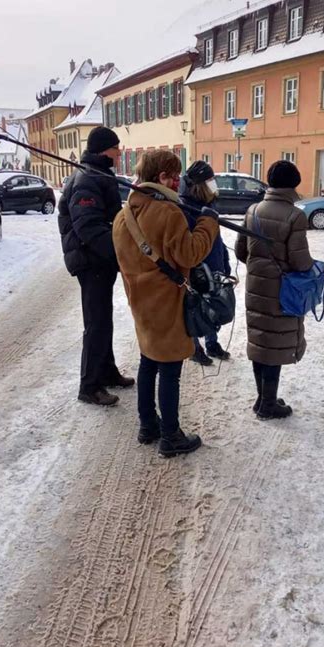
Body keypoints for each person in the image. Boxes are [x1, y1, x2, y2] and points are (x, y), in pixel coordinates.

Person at [112, 149, 219, 457]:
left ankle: (148, 425)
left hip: (141, 304)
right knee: (170, 370)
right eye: (174, 176)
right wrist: (208, 223)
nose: (177, 182)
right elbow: (190, 254)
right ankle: (171, 436)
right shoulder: (167, 213)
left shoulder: (123, 215)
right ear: (161, 177)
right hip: (167, 304)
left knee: (148, 362)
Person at [58, 125, 134, 406]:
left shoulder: (98, 175)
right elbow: (89, 227)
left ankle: (107, 370)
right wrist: (119, 254)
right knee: (96, 322)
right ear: (106, 149)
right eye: (116, 147)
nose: (119, 152)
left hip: (99, 260)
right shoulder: (87, 179)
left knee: (104, 319)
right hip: (92, 261)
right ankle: (89, 386)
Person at [235, 160, 313, 420]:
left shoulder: (253, 210)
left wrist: (260, 267)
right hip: (282, 291)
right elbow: (300, 261)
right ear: (294, 184)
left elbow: (240, 251)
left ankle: (262, 399)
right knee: (276, 343)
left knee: (261, 340)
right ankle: (268, 404)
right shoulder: (295, 215)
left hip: (256, 287)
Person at [179, 160, 231, 365]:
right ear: (199, 184)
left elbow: (216, 237)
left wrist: (224, 260)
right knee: (195, 307)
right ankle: (195, 347)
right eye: (209, 180)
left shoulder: (208, 204)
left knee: (213, 305)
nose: (213, 183)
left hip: (215, 262)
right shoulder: (184, 207)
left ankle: (212, 343)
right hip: (197, 267)